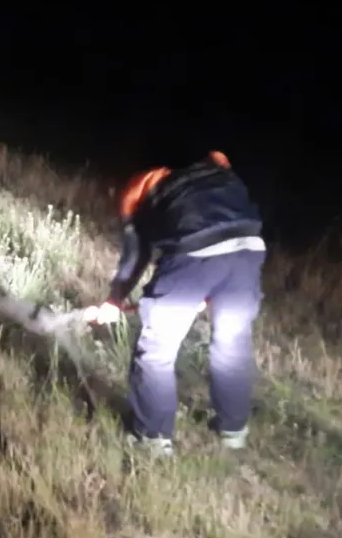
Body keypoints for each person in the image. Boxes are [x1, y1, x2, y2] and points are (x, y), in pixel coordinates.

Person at [82, 149, 266, 458]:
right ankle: (233, 431)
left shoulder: (139, 189)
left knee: (156, 350)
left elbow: (136, 255)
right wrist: (204, 287)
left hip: (195, 253)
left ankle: (152, 438)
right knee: (232, 343)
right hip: (249, 249)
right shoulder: (213, 170)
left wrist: (114, 299)